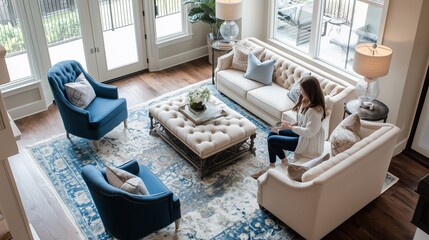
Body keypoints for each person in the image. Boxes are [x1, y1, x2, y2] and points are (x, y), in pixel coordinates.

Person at [251, 76, 327, 179]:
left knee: (273, 140)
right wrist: (289, 126)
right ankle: (272, 165)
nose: (300, 92)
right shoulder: (305, 100)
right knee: (272, 133)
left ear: (310, 92)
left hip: (308, 142)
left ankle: (284, 162)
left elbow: (309, 133)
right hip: (302, 134)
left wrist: (290, 128)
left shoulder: (315, 111)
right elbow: (302, 122)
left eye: (302, 90)